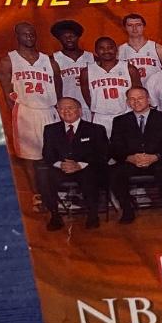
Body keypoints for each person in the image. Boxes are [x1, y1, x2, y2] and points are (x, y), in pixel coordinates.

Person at [0, 21, 62, 201]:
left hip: (48, 110)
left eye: (32, 34)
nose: (29, 37)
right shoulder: (8, 60)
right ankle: (37, 195)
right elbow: (6, 91)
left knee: (54, 154)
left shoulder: (49, 61)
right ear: (17, 36)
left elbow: (58, 87)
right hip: (25, 111)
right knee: (29, 157)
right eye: (25, 34)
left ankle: (57, 191)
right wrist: (17, 111)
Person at [109, 87, 162, 224]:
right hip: (132, 161)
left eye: (140, 98)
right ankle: (127, 210)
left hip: (158, 159)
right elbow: (115, 147)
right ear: (127, 102)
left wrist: (156, 156)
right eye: (132, 99)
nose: (136, 102)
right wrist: (130, 158)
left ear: (148, 100)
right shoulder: (120, 121)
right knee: (115, 173)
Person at [39, 97, 108, 230]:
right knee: (43, 177)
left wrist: (79, 165)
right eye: (62, 109)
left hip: (85, 167)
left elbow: (102, 154)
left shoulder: (96, 129)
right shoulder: (50, 130)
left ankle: (93, 215)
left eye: (70, 108)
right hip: (61, 168)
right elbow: (47, 154)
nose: (66, 111)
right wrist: (60, 164)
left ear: (80, 111)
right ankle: (55, 216)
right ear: (58, 111)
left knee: (91, 175)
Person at [80, 37, 141, 136]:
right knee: (102, 145)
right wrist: (97, 108)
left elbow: (138, 93)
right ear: (95, 51)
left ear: (116, 49)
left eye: (110, 47)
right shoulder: (87, 72)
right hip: (100, 117)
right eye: (102, 48)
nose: (106, 51)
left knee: (126, 144)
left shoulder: (129, 69)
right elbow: (86, 95)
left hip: (125, 114)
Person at [50, 19, 94, 119]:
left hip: (88, 107)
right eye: (64, 37)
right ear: (59, 39)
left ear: (78, 37)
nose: (69, 39)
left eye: (72, 36)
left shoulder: (91, 58)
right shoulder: (53, 59)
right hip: (66, 109)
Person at [118, 13, 162, 82]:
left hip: (154, 88)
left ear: (144, 27)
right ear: (125, 28)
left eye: (138, 25)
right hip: (130, 88)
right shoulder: (119, 51)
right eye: (130, 25)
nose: (134, 28)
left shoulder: (158, 49)